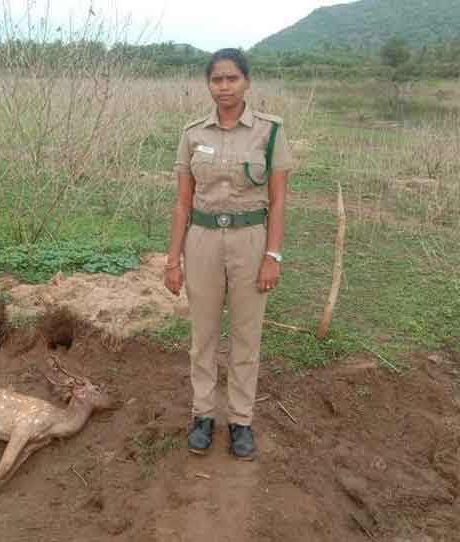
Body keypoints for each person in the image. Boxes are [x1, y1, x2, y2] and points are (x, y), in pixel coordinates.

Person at [163, 48, 293, 461]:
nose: (224, 87)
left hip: (249, 242)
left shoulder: (270, 132)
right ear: (208, 85)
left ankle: (240, 420)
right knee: (202, 336)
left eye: (232, 78)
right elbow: (183, 203)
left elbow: (278, 201)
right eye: (216, 79)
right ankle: (203, 415)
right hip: (201, 240)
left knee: (245, 337)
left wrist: (273, 255)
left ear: (247, 82)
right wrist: (173, 258)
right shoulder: (192, 134)